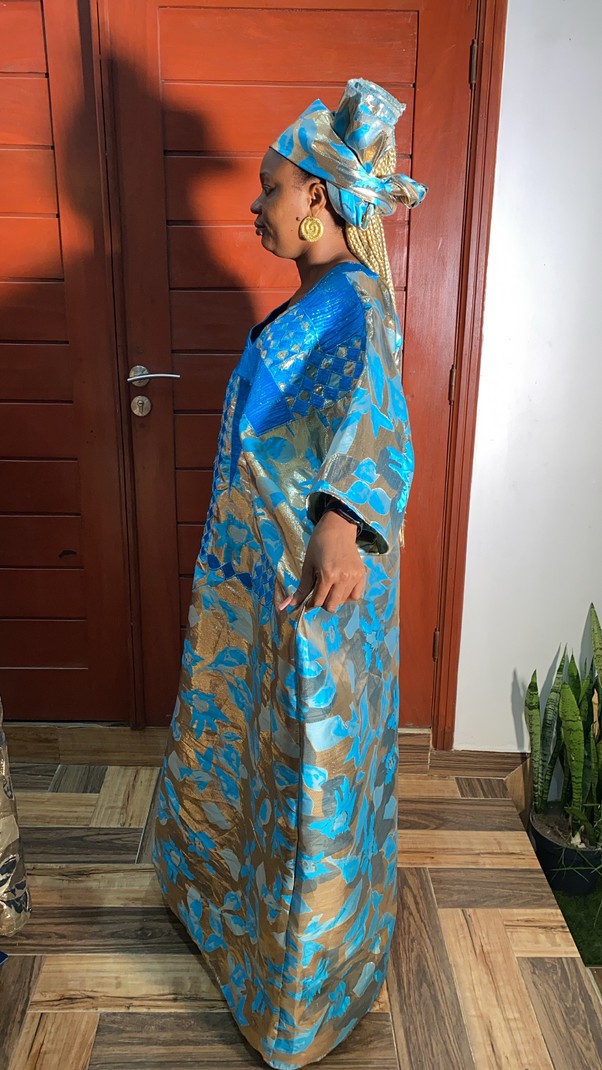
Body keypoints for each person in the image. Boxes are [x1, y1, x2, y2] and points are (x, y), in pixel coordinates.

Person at [152, 78, 427, 1069]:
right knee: (252, 758)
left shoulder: (356, 303)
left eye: (269, 186)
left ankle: (302, 1000)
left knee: (306, 777)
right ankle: (228, 926)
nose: (254, 203)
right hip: (253, 585)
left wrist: (341, 524)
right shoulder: (316, 297)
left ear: (315, 195)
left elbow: (378, 416)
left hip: (307, 593)